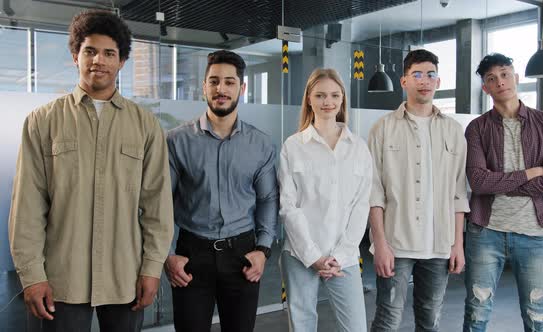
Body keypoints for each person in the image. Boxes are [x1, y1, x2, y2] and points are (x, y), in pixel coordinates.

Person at [8, 10, 174, 332]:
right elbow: (27, 206)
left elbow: (156, 205)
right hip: (60, 279)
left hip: (125, 277)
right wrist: (32, 275)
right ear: (75, 56)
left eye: (109, 53)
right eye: (90, 51)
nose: (99, 60)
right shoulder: (43, 121)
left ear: (122, 61)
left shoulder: (145, 125)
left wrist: (152, 268)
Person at [164, 50, 279, 332]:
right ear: (204, 87)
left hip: (242, 255)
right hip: (191, 256)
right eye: (214, 81)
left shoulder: (261, 144)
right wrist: (167, 254)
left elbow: (268, 199)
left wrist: (263, 249)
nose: (221, 89)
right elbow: (159, 203)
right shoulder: (177, 141)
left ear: (242, 88)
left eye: (229, 82)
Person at [463, 53, 543, 332]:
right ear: (485, 88)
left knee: (537, 317)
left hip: (534, 234)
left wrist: (502, 182)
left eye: (505, 74)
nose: (500, 82)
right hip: (486, 232)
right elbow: (479, 182)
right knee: (476, 313)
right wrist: (531, 173)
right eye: (491, 79)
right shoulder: (477, 128)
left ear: (516, 77)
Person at [368, 49, 470, 332]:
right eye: (417, 75)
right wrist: (379, 245)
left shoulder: (453, 131)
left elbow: (459, 193)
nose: (424, 81)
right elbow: (373, 192)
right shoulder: (382, 128)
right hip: (395, 244)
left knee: (430, 321)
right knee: (387, 320)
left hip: (439, 246)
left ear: (438, 82)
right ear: (404, 81)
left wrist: (457, 244)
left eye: (430, 75)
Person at [278, 68, 372, 332]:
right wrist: (314, 255)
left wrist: (339, 256)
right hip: (300, 254)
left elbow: (360, 205)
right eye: (320, 95)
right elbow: (288, 207)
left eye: (333, 95)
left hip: (345, 256)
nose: (327, 102)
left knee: (355, 328)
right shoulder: (293, 146)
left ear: (342, 99)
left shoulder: (359, 148)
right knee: (303, 326)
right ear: (309, 98)